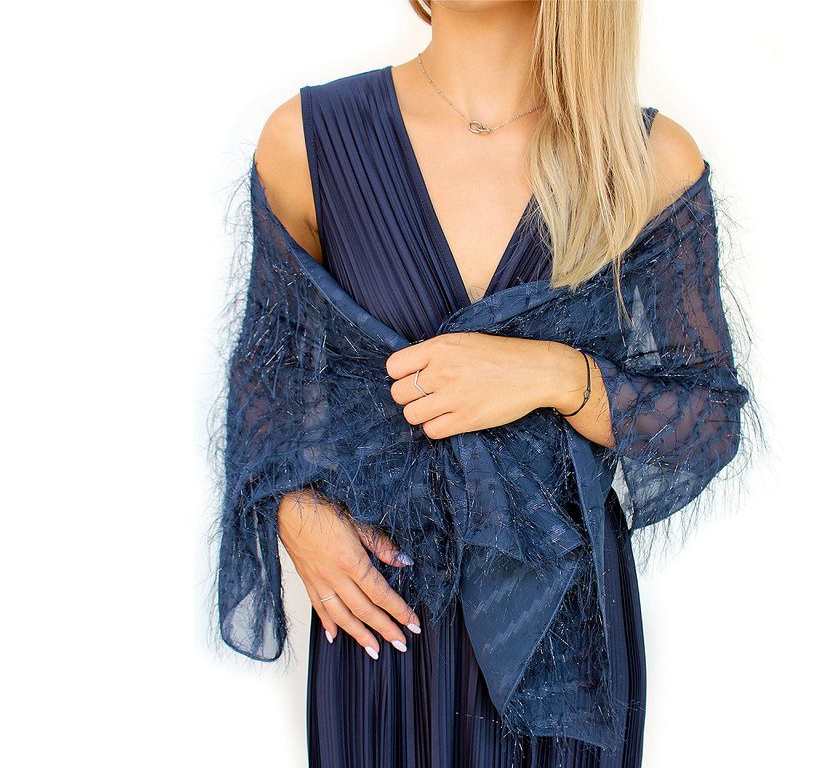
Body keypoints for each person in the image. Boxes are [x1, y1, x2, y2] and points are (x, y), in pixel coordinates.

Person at [245, 1, 715, 764]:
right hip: (384, 617)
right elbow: (269, 381)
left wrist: (557, 376)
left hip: (561, 642)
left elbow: (702, 416)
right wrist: (292, 506)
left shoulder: (647, 158)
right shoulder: (307, 140)